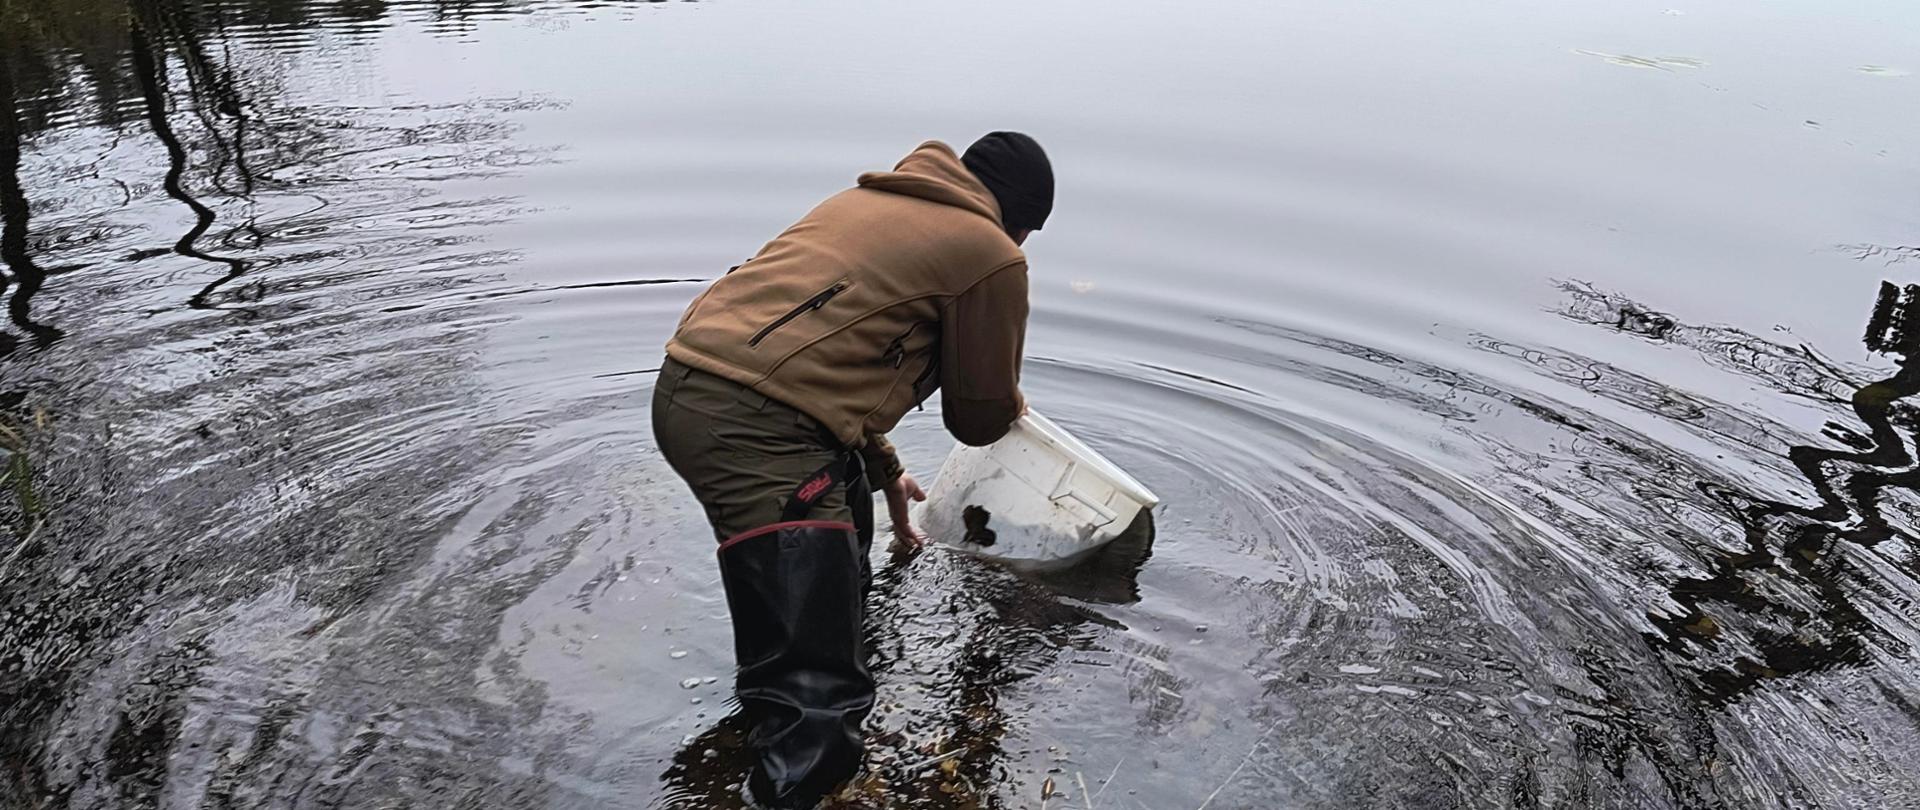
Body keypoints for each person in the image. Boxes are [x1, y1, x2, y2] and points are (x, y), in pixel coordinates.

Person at [651, 132, 1053, 808]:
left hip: (688, 391)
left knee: (837, 585)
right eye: (1027, 235)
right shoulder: (992, 254)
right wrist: (1014, 400)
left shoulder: (866, 202)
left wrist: (883, 469)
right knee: (819, 707)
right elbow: (979, 419)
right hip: (758, 431)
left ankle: (759, 727)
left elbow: (824, 362)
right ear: (1020, 220)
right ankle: (791, 778)